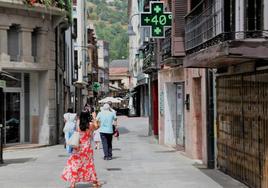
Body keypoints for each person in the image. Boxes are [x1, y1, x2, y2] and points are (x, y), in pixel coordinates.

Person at [61, 111, 101, 188]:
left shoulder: (78, 124)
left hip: (78, 147)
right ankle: (95, 183)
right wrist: (94, 117)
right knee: (89, 165)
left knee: (75, 165)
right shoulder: (90, 125)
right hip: (87, 148)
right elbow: (97, 126)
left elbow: (75, 132)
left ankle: (73, 184)